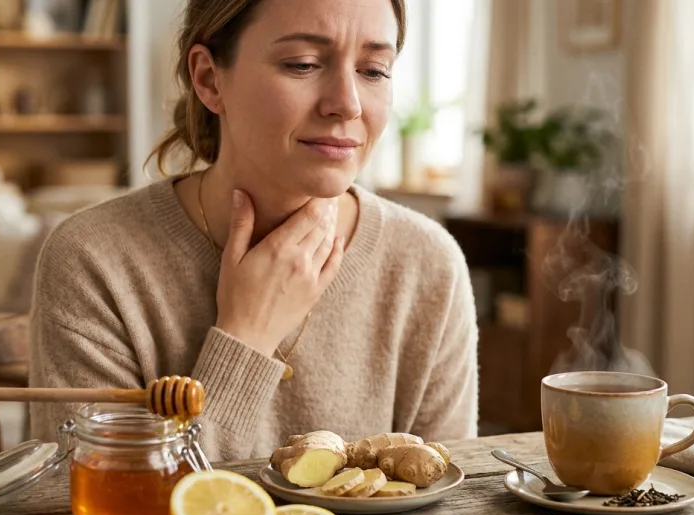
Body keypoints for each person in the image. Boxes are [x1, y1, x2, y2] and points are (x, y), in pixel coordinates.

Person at [28, 0, 479, 462]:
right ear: (209, 79)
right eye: (303, 64)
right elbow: (97, 511)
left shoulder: (428, 263)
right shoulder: (92, 260)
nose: (347, 104)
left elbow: (449, 512)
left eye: (374, 70)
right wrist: (246, 338)